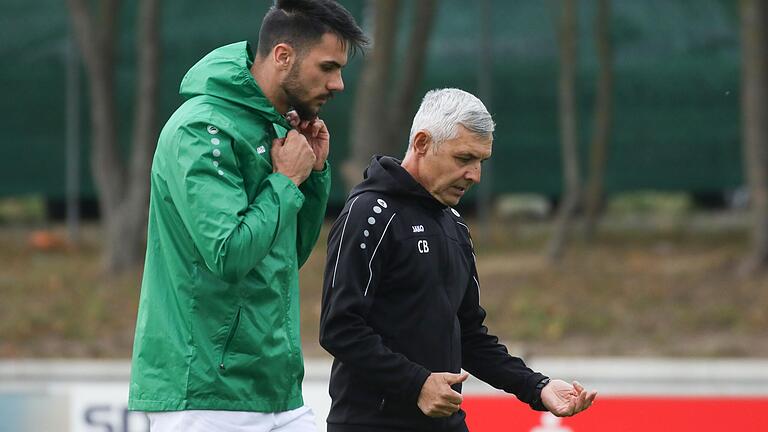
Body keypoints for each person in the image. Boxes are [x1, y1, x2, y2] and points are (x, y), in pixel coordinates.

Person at [128, 1, 367, 431]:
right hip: (203, 395)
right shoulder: (201, 129)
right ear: (282, 55)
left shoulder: (276, 127)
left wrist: (311, 176)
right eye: (328, 67)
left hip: (275, 389)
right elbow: (229, 253)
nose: (339, 84)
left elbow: (288, 254)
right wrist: (286, 182)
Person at [319, 88, 597, 432]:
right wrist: (417, 383)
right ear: (421, 143)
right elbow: (339, 329)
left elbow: (469, 336)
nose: (475, 175)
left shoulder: (453, 225)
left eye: (481, 162)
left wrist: (536, 387)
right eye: (464, 159)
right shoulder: (369, 213)